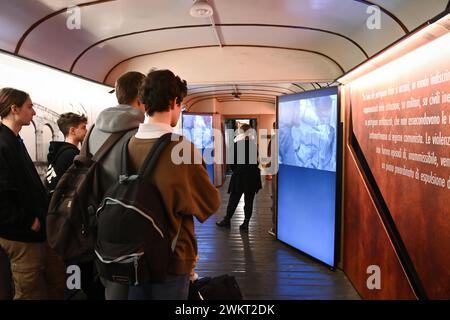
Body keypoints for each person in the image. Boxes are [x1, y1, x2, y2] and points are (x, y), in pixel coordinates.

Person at [127, 69, 220, 300]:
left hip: (132, 254)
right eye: (181, 104)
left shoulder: (127, 144)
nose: (181, 110)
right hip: (172, 257)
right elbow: (210, 203)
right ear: (173, 101)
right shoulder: (182, 148)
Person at [86, 71, 146, 300]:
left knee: (109, 282)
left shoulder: (93, 129)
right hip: (128, 220)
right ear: (142, 97)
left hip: (98, 218)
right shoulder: (140, 133)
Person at [0, 88, 49, 299]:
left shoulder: (13, 140)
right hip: (20, 234)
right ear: (14, 109)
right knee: (29, 292)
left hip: (28, 232)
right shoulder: (3, 144)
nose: (34, 112)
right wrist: (28, 220)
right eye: (29, 107)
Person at [45, 112, 88, 299]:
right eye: (83, 127)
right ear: (72, 130)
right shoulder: (72, 156)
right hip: (68, 222)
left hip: (56, 219)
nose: (86, 130)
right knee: (74, 268)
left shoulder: (58, 154)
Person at [216, 124, 262, 231]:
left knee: (234, 198)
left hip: (240, 175)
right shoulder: (253, 144)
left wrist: (236, 170)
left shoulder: (237, 144)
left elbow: (231, 162)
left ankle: (227, 220)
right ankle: (246, 223)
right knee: (249, 200)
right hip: (252, 176)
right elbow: (256, 160)